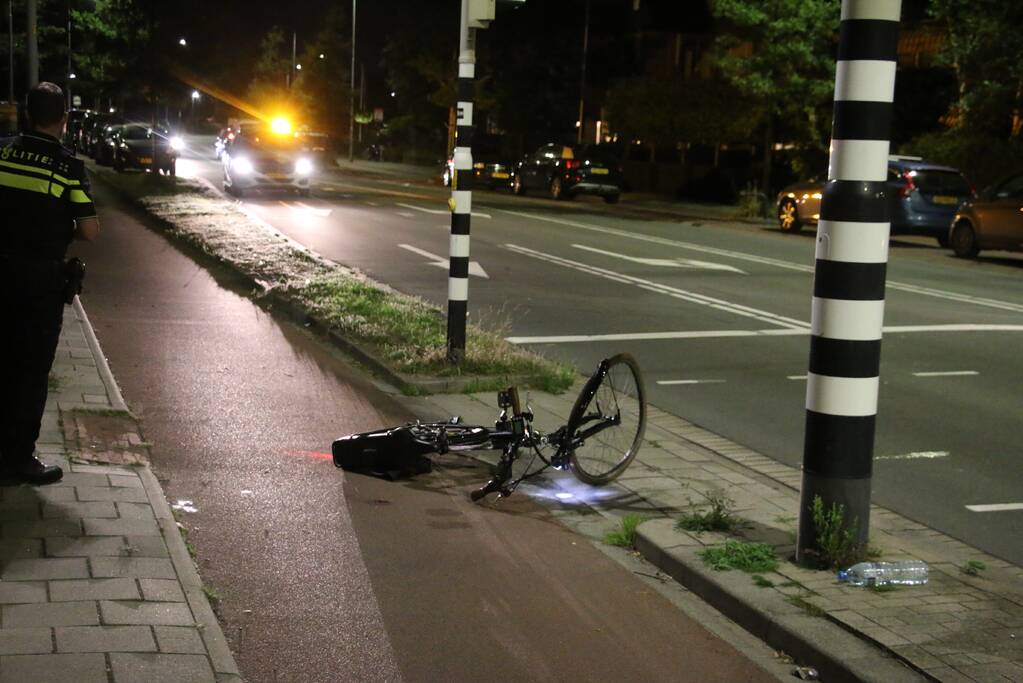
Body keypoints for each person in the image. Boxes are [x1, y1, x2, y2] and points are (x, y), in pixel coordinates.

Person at [0, 82, 100, 485]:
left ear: (26, 114)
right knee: (32, 368)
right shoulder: (66, 167)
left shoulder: (3, 152)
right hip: (39, 280)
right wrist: (58, 229)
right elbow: (89, 230)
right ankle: (19, 459)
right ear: (63, 119)